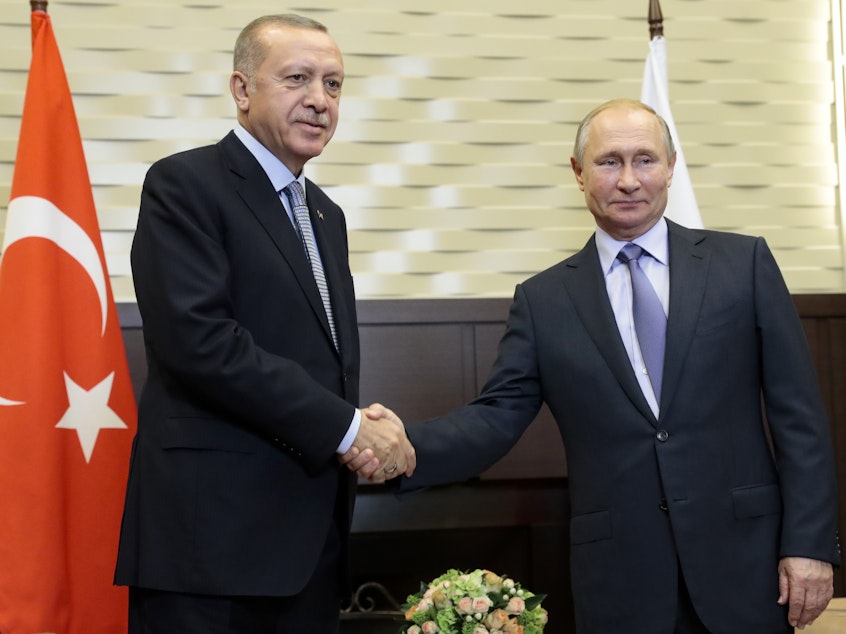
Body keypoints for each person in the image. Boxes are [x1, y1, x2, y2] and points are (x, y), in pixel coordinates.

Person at [345, 99, 840, 633]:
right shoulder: (544, 300)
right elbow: (495, 417)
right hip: (623, 579)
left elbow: (800, 420)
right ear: (579, 173)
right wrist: (402, 447)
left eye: (645, 160)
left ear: (672, 165)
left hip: (747, 564)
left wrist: (809, 544)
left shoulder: (742, 265)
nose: (629, 179)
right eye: (608, 162)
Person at [114, 14, 414, 633]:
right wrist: (350, 427)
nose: (319, 100)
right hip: (210, 548)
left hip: (307, 545)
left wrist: (362, 425)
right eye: (297, 78)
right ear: (242, 89)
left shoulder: (326, 215)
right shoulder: (184, 184)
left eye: (333, 85)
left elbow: (324, 360)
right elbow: (200, 344)